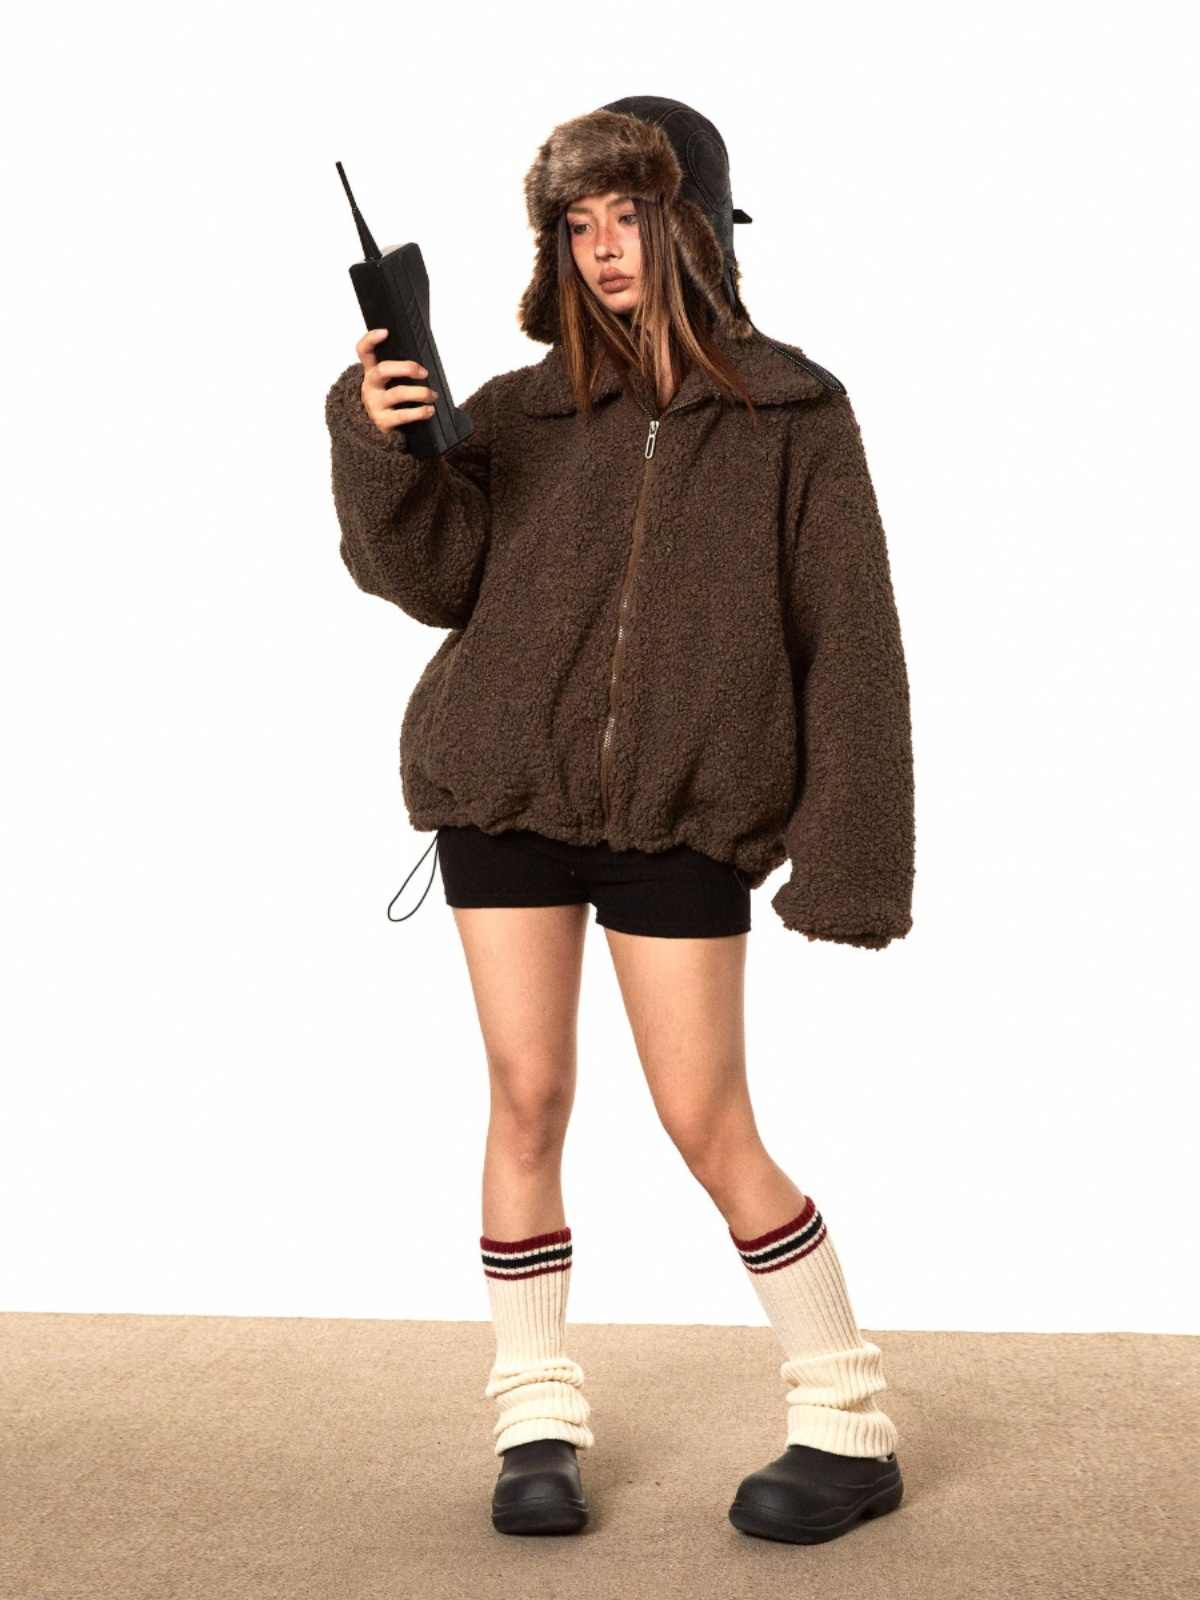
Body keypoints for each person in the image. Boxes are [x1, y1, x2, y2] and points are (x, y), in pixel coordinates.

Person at [325, 96, 915, 1545]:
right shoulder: (520, 412)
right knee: (526, 1096)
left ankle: (849, 1420)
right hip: (506, 789)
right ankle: (534, 1420)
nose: (600, 249)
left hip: (685, 812)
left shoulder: (794, 413)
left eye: (628, 217)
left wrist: (849, 856)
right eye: (576, 224)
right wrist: (381, 441)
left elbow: (851, 642)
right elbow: (430, 578)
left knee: (707, 1119)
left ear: (693, 225)